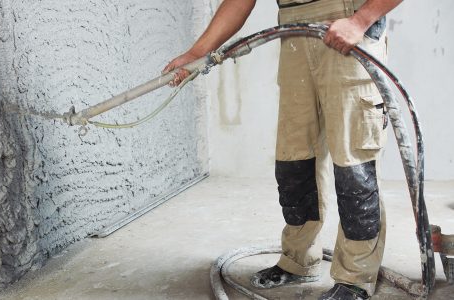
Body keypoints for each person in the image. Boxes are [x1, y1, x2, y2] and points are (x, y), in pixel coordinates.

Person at [164, 0, 403, 299]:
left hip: (349, 26)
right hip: (293, 31)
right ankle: (298, 260)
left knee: (354, 169)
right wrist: (197, 54)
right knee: (295, 162)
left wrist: (360, 20)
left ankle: (356, 277)